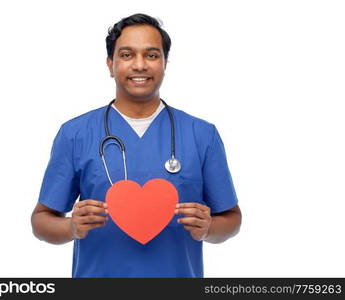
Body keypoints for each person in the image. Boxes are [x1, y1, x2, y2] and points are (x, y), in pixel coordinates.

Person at [31, 13, 242, 278]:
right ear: (110, 64)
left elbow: (232, 218)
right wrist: (71, 227)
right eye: (127, 55)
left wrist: (209, 228)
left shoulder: (201, 134)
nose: (140, 65)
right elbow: (41, 221)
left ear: (165, 63)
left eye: (152, 55)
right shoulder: (75, 134)